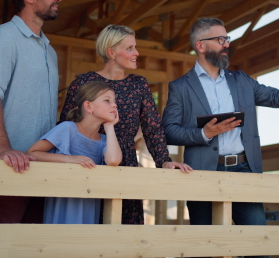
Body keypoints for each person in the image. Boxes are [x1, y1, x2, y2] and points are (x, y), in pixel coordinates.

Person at [162, 18, 279, 233]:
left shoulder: (242, 80)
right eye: (220, 39)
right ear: (200, 45)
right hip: (202, 172)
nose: (226, 44)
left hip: (245, 170)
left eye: (227, 38)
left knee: (257, 243)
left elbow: (271, 95)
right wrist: (204, 133)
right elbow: (169, 130)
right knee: (203, 245)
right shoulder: (180, 87)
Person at [59, 24, 192, 224]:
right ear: (111, 52)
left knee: (125, 231)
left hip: (126, 164)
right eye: (129, 48)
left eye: (135, 47)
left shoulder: (139, 84)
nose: (136, 53)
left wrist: (163, 160)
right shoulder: (84, 82)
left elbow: (152, 128)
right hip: (87, 165)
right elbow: (66, 125)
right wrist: (67, 162)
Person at [0, 0, 62, 223]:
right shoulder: (3, 38)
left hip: (40, 170)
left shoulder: (49, 50)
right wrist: (3, 150)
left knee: (29, 248)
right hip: (5, 171)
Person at [27, 82, 122, 224]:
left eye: (114, 101)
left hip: (89, 205)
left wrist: (109, 128)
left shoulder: (104, 140)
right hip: (63, 202)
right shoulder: (67, 129)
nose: (114, 105)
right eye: (107, 100)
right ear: (88, 106)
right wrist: (69, 159)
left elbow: (114, 161)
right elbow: (32, 153)